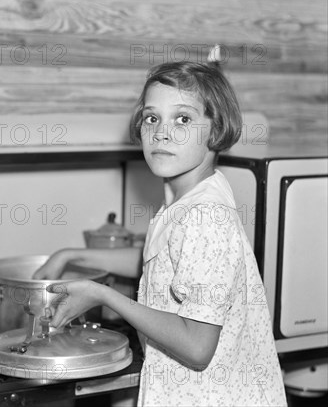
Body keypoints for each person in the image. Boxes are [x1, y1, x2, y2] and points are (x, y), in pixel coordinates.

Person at [33, 61, 287, 406]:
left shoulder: (205, 216)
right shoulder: (189, 199)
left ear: (216, 130)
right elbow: (160, 263)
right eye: (152, 118)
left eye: (182, 119)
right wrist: (70, 256)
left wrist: (104, 295)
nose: (161, 132)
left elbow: (197, 347)